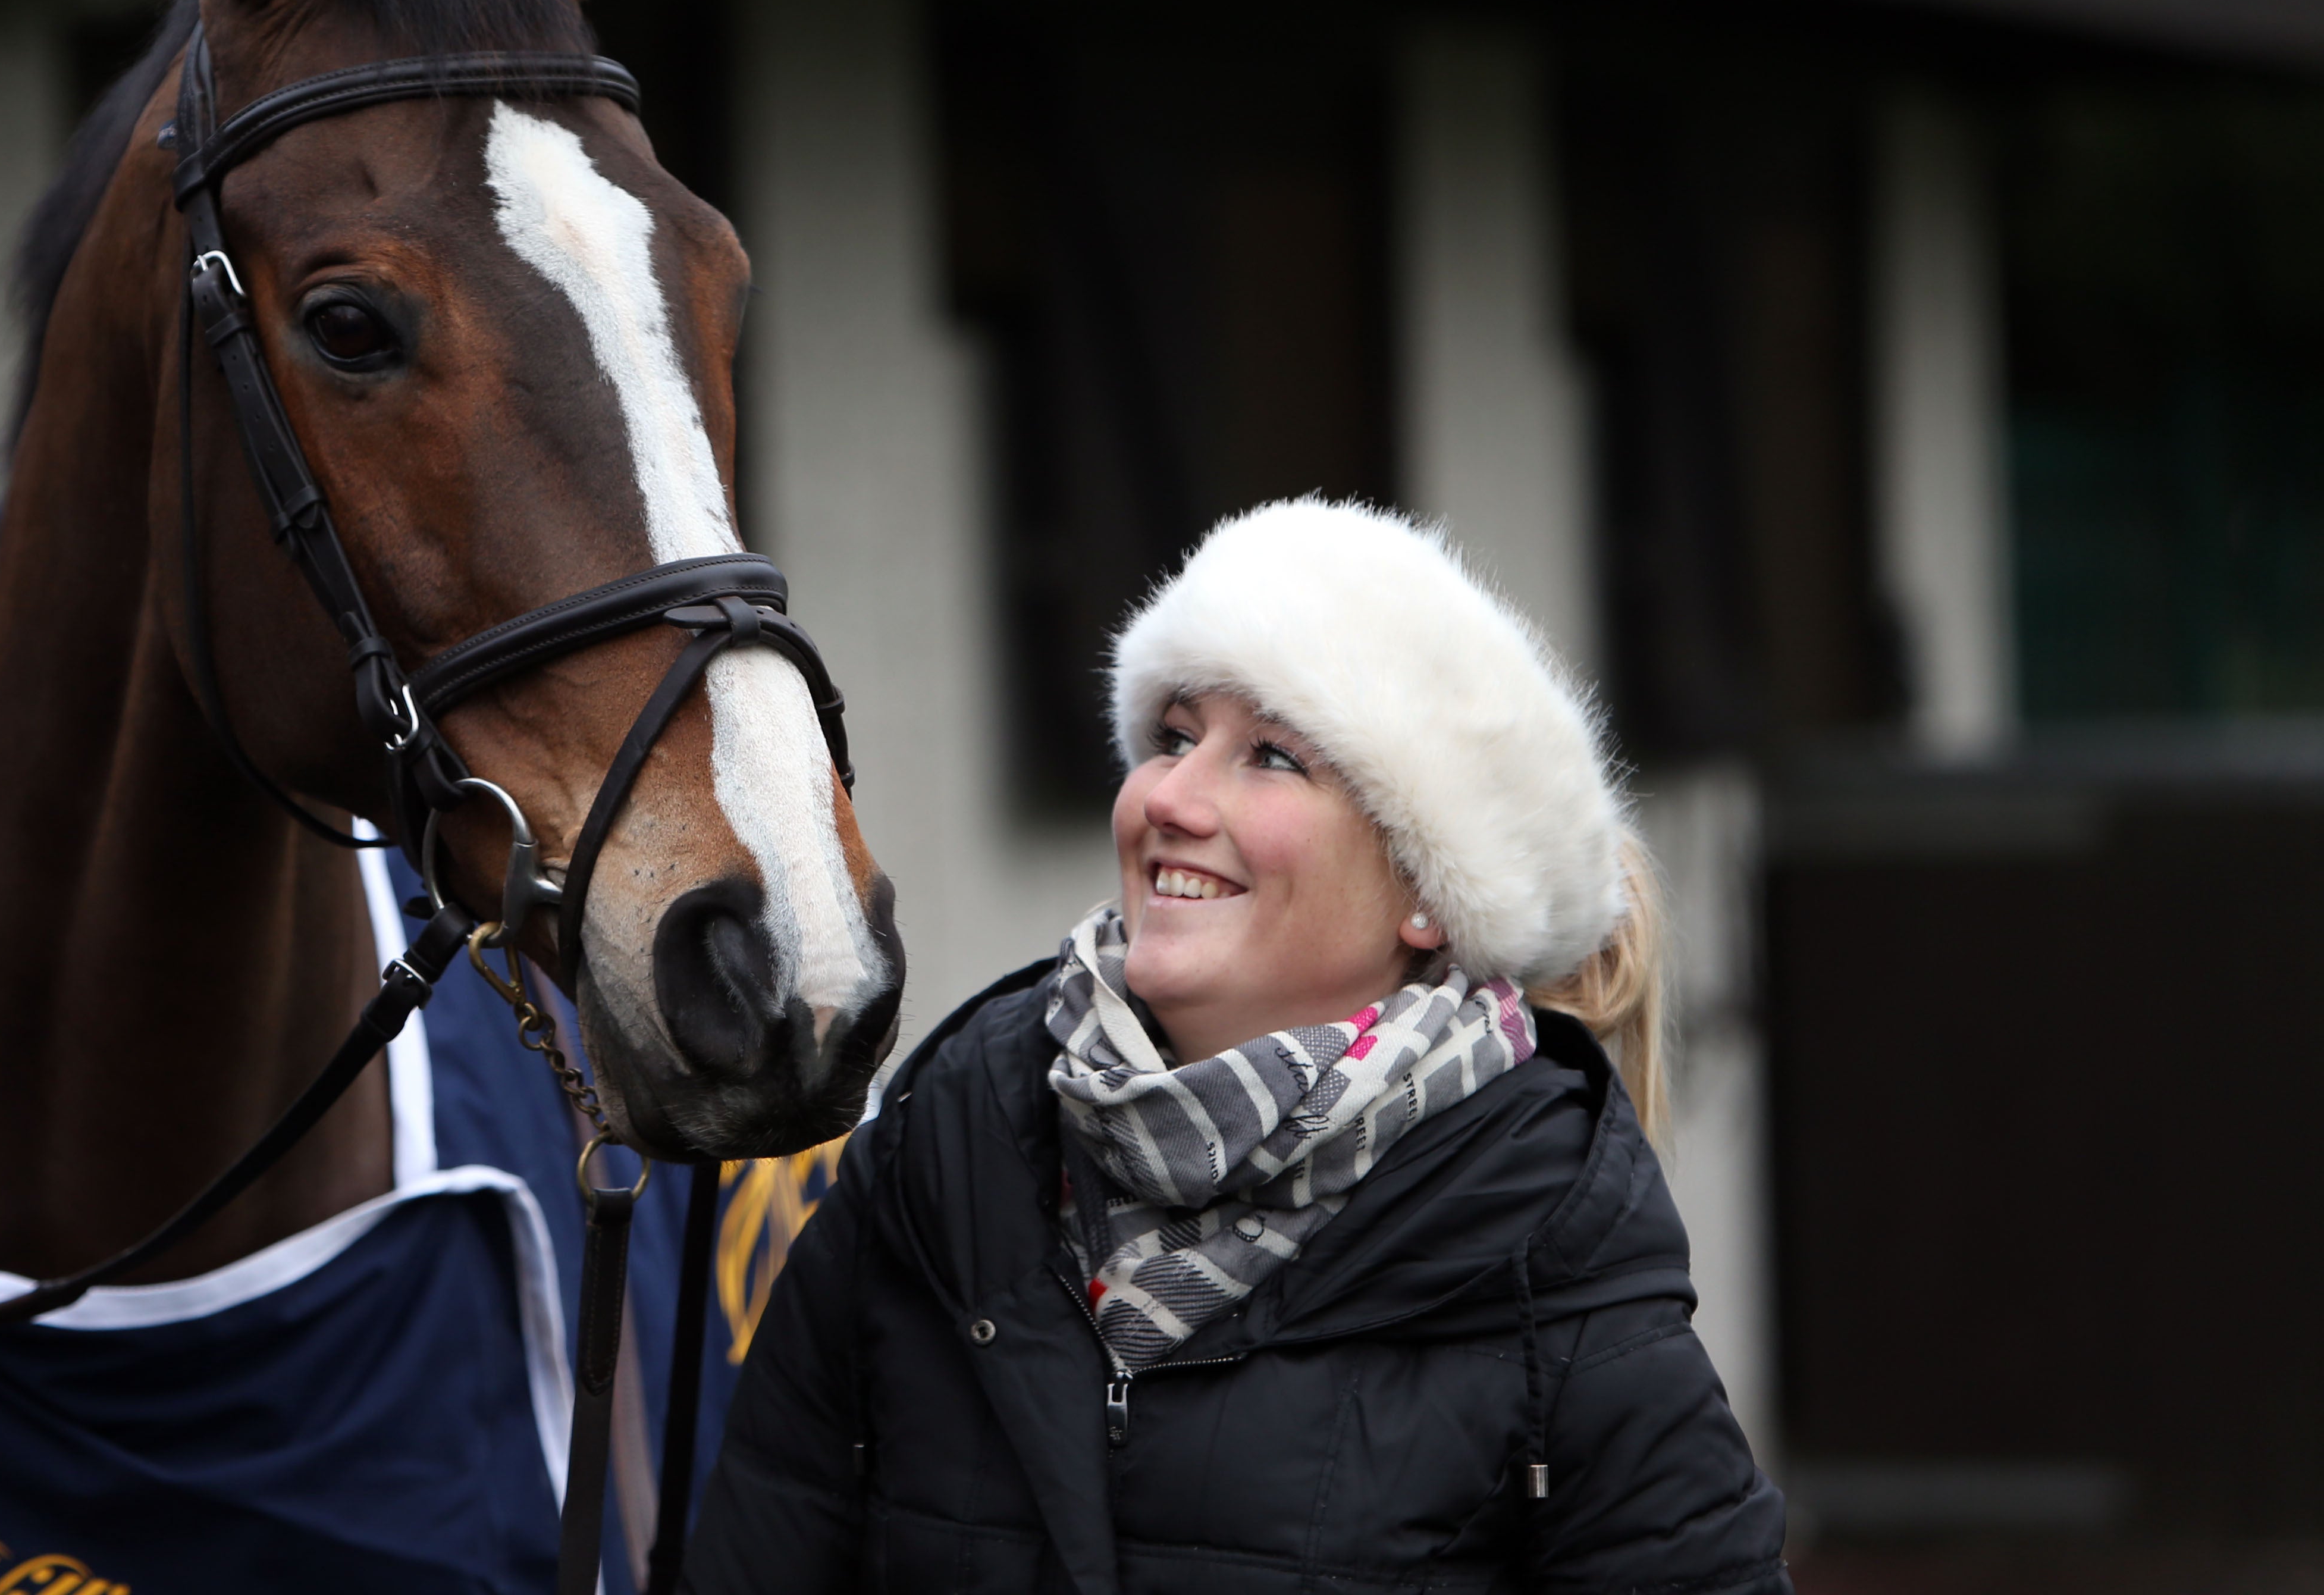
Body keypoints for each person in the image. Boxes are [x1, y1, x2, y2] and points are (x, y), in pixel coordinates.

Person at [687, 498, 1789, 1594]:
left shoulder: (1549, 1246)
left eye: (1269, 756)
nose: (1169, 794)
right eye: (1173, 738)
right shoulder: (937, 1161)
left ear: (1432, 893)